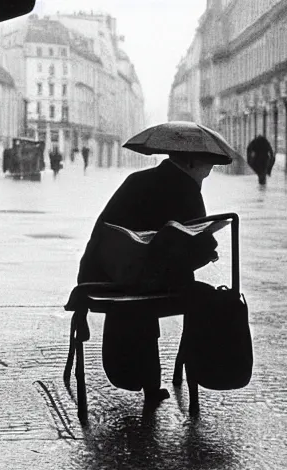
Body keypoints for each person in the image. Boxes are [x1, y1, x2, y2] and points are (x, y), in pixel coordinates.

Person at [76, 151, 222, 407]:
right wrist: (209, 249)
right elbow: (194, 248)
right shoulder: (187, 189)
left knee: (146, 291)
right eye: (206, 167)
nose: (208, 172)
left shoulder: (137, 180)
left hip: (102, 275)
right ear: (190, 162)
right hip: (137, 280)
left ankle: (148, 380)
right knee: (193, 296)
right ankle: (189, 372)